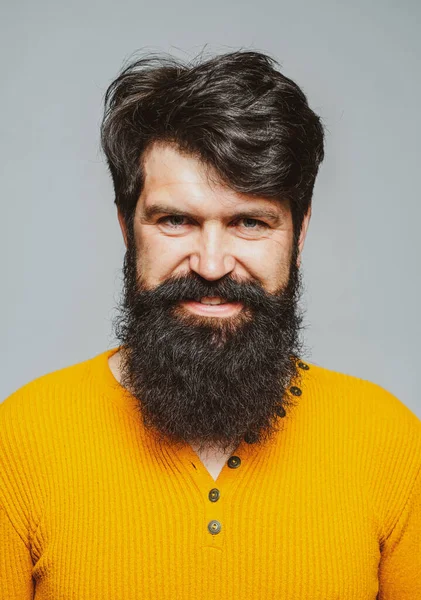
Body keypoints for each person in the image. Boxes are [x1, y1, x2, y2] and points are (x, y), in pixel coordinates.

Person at [1, 50, 420, 600]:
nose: (213, 263)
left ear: (300, 232)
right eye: (176, 220)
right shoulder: (18, 442)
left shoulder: (392, 444)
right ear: (128, 228)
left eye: (251, 222)